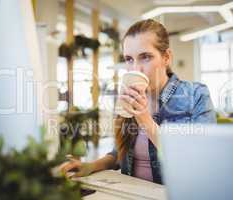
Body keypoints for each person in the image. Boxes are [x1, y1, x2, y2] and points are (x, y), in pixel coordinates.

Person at [59, 19, 216, 184]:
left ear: (166, 57)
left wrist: (145, 119)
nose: (136, 69)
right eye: (129, 59)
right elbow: (119, 154)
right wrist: (90, 166)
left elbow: (197, 161)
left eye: (145, 57)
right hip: (131, 192)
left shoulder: (196, 95)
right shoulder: (129, 95)